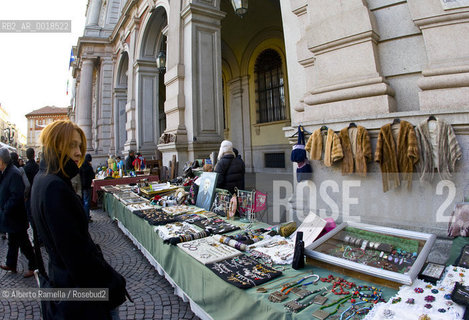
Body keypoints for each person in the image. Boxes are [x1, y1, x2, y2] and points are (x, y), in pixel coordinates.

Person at [31, 120, 127, 319]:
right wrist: (113, 283)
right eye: (72, 145)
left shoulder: (43, 179)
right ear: (56, 145)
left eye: (79, 146)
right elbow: (78, 257)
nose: (78, 152)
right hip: (82, 296)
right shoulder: (54, 187)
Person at [0, 148, 36, 278]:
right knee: (13, 241)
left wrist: (5, 208)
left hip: (15, 215)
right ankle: (11, 263)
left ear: (2, 160)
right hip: (12, 216)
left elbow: (16, 196)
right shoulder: (6, 172)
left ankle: (34, 265)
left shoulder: (13, 173)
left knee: (23, 242)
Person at [80, 154, 95, 222]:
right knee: (87, 202)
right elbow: (93, 175)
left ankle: (85, 215)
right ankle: (87, 217)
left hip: (82, 186)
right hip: (87, 185)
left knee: (84, 201)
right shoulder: (88, 166)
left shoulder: (81, 165)